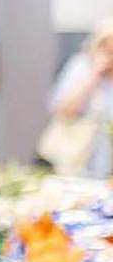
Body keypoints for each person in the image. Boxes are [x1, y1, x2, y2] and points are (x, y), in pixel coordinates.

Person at [49, 18, 113, 177]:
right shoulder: (81, 67)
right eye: (108, 51)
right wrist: (94, 76)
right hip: (78, 163)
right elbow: (61, 111)